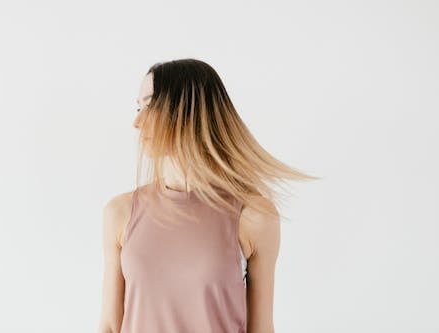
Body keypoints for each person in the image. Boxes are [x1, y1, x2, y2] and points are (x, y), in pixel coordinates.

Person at [97, 58, 318, 333]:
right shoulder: (120, 213)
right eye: (138, 107)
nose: (137, 122)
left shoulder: (253, 216)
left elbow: (261, 329)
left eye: (150, 106)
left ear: (187, 110)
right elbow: (108, 325)